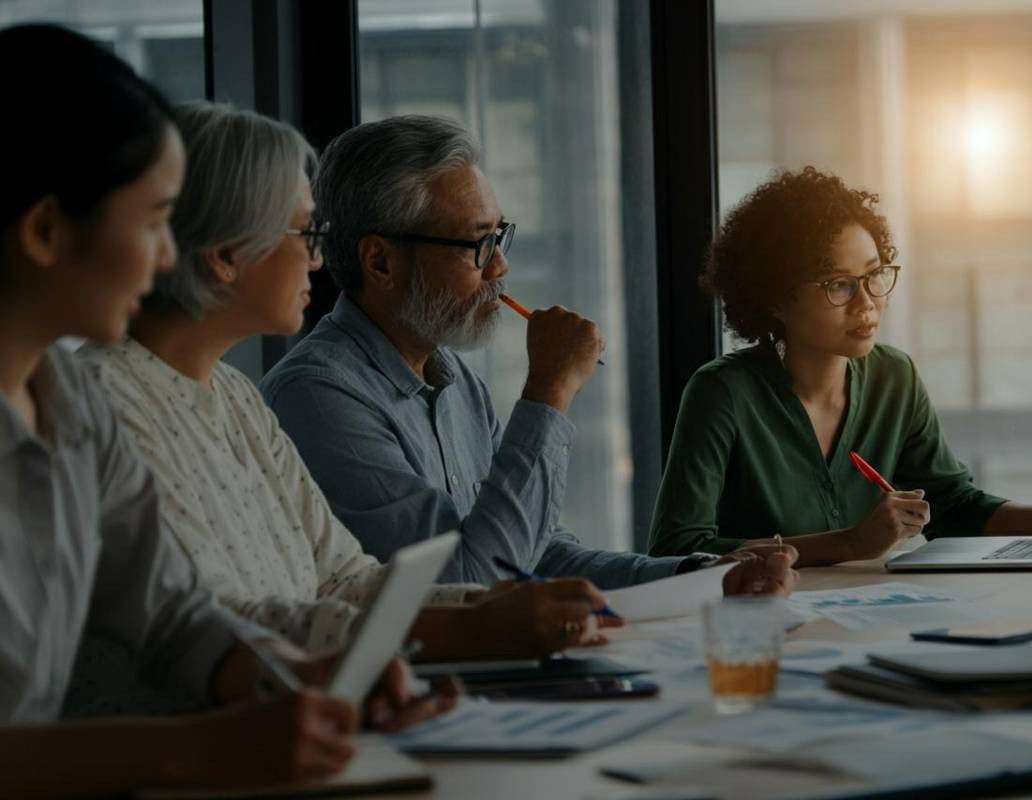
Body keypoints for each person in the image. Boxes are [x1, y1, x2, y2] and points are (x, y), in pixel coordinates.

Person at [0, 25, 449, 797]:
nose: (170, 256)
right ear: (45, 231)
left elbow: (172, 614)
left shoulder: (67, 400)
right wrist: (193, 750)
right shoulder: (105, 389)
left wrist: (302, 684)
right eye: (150, 224)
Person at [81, 100, 630, 659]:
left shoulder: (236, 395)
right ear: (225, 254)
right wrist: (473, 624)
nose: (318, 261)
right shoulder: (109, 404)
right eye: (304, 233)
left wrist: (685, 576)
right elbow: (209, 626)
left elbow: (346, 581)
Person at [259, 115, 795, 593]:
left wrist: (698, 573)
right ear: (380, 262)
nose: (500, 270)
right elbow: (472, 586)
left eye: (500, 237)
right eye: (478, 245)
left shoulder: (455, 382)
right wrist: (548, 392)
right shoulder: (319, 397)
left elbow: (537, 555)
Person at [648, 167, 1032, 561]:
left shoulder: (895, 378)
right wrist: (848, 543)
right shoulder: (722, 393)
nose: (866, 303)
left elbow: (952, 505)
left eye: (874, 275)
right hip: (764, 628)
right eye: (839, 284)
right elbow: (678, 551)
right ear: (774, 299)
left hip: (865, 616)